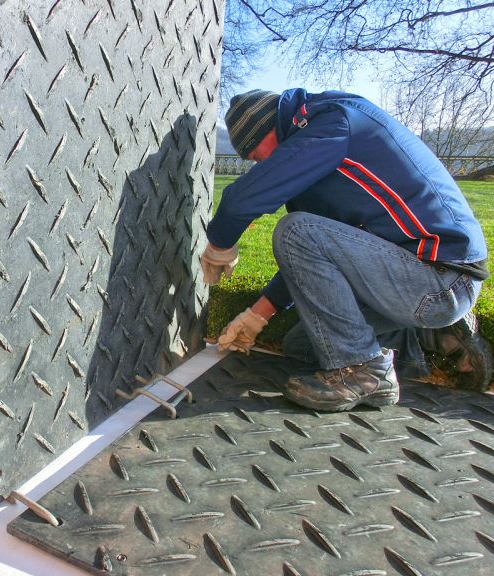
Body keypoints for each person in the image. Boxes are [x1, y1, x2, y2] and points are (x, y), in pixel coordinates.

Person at [200, 88, 492, 412]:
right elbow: (310, 260)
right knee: (303, 346)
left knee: (294, 229)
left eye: (256, 155)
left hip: (440, 277)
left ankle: (363, 372)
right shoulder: (325, 163)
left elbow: (245, 203)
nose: (260, 164)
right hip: (417, 278)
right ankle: (431, 337)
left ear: (270, 128)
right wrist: (255, 317)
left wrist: (219, 245)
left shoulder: (332, 121)